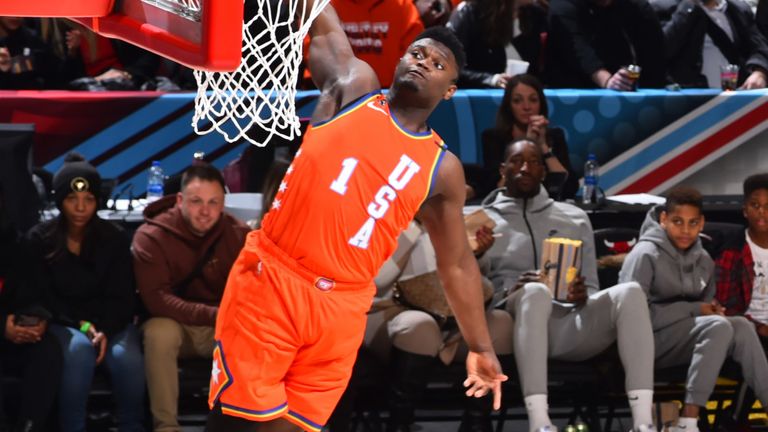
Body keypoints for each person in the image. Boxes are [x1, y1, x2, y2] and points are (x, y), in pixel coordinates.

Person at [204, 3, 508, 431]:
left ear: (450, 90)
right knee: (237, 424)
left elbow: (456, 262)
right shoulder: (355, 85)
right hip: (275, 281)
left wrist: (480, 345)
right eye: (417, 54)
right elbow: (317, 13)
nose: (423, 64)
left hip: (343, 309)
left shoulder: (442, 168)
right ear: (400, 59)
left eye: (438, 64)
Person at [475, 139, 657, 432]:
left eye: (534, 161)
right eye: (517, 161)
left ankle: (643, 421)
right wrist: (507, 292)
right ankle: (540, 422)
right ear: (503, 169)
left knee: (631, 291)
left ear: (544, 171)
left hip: (569, 326)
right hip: (512, 325)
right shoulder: (481, 222)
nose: (525, 168)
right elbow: (471, 290)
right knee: (534, 291)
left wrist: (583, 294)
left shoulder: (573, 217)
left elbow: (593, 286)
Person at [620, 186, 768, 432]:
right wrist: (695, 309)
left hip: (683, 341)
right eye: (678, 222)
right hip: (643, 344)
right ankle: (689, 421)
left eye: (692, 223)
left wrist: (710, 310)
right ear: (664, 219)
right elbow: (632, 318)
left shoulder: (704, 261)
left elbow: (705, 314)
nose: (685, 230)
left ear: (702, 224)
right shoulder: (645, 254)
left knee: (740, 325)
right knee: (718, 325)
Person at [23, 153, 145, 432]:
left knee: (126, 358)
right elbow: (41, 297)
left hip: (110, 323)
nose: (80, 208)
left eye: (88, 200)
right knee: (78, 352)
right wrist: (80, 325)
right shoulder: (39, 240)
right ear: (59, 201)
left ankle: (133, 425)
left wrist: (104, 328)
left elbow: (124, 297)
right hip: (63, 322)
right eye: (72, 199)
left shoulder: (114, 239)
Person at [362, 221, 514, 432]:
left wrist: (477, 254)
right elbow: (378, 282)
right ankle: (399, 423)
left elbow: (478, 277)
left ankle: (477, 422)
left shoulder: (451, 217)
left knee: (500, 322)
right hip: (393, 311)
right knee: (420, 326)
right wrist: (414, 226)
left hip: (451, 317)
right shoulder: (384, 217)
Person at [131, 163, 250, 432]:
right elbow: (157, 300)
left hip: (221, 327)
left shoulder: (239, 235)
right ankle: (166, 427)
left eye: (213, 202)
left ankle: (238, 425)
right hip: (177, 325)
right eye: (196, 202)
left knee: (254, 331)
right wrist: (214, 314)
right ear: (180, 200)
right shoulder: (152, 237)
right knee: (159, 332)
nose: (205, 211)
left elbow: (251, 293)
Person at [0, 184, 62, 432]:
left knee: (48, 350)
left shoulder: (15, 242)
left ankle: (30, 427)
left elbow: (36, 291)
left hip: (13, 332)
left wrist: (37, 319)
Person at [468, 74, 577, 201]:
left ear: (541, 104)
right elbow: (497, 189)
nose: (526, 107)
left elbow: (569, 188)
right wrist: (528, 144)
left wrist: (542, 146)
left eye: (533, 100)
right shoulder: (493, 137)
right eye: (517, 101)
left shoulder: (555, 135)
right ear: (508, 106)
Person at [545, 0, 667, 89]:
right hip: (575, 91)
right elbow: (579, 50)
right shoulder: (563, 6)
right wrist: (607, 81)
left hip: (627, 87)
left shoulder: (637, 7)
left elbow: (654, 55)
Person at [651, 0, 768, 89]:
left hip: (736, 100)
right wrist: (689, 7)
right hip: (688, 102)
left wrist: (760, 72)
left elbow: (759, 47)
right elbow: (660, 51)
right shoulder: (663, 7)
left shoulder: (737, 9)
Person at [716, 173, 768, 345]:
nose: (762, 211)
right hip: (749, 330)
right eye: (755, 205)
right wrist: (758, 327)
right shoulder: (732, 251)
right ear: (745, 210)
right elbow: (724, 307)